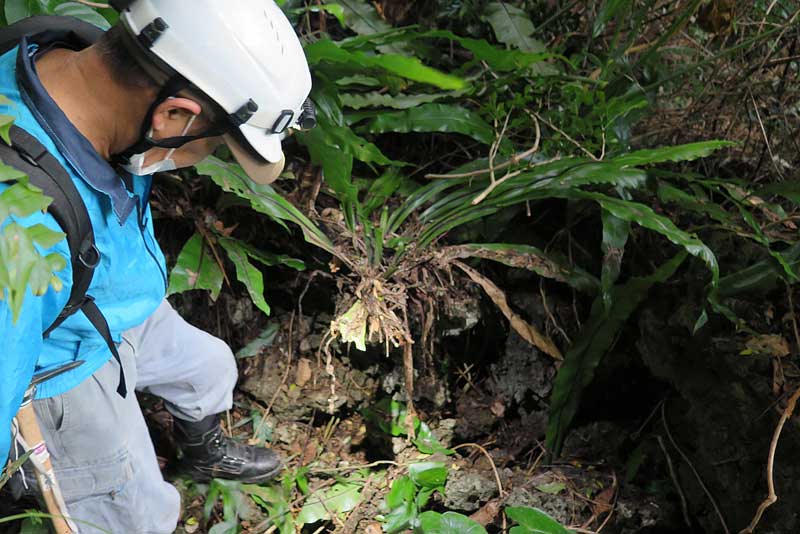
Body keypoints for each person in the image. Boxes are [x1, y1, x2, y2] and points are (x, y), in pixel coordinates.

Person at [0, 1, 313, 531]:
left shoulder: (82, 60)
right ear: (174, 116)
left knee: (208, 367)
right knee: (135, 511)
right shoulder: (19, 229)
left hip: (105, 292)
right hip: (61, 365)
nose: (205, 157)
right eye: (214, 145)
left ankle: (201, 447)